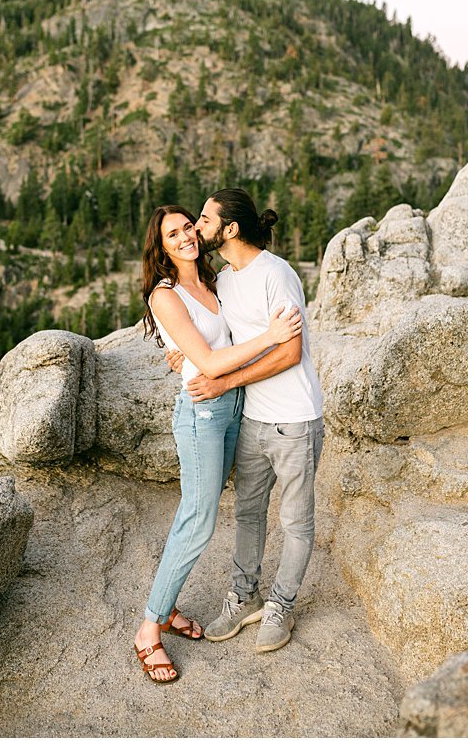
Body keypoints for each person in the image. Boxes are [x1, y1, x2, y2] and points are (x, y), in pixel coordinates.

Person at [133, 205, 302, 683]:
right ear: (161, 246)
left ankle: (164, 611)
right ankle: (150, 629)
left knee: (201, 515)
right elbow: (208, 361)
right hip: (201, 415)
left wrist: (182, 355)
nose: (186, 236)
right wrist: (271, 337)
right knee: (198, 519)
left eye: (189, 226)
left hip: (231, 409)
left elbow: (211, 343)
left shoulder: (211, 283)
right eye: (173, 233)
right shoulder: (164, 295)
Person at [164, 189, 327, 654]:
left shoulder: (277, 274)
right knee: (248, 514)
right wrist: (190, 359)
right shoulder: (227, 281)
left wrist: (220, 383)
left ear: (230, 229)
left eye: (204, 219)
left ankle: (282, 605)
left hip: (295, 419)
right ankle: (245, 595)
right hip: (253, 418)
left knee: (295, 521)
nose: (196, 227)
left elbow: (289, 351)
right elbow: (216, 336)